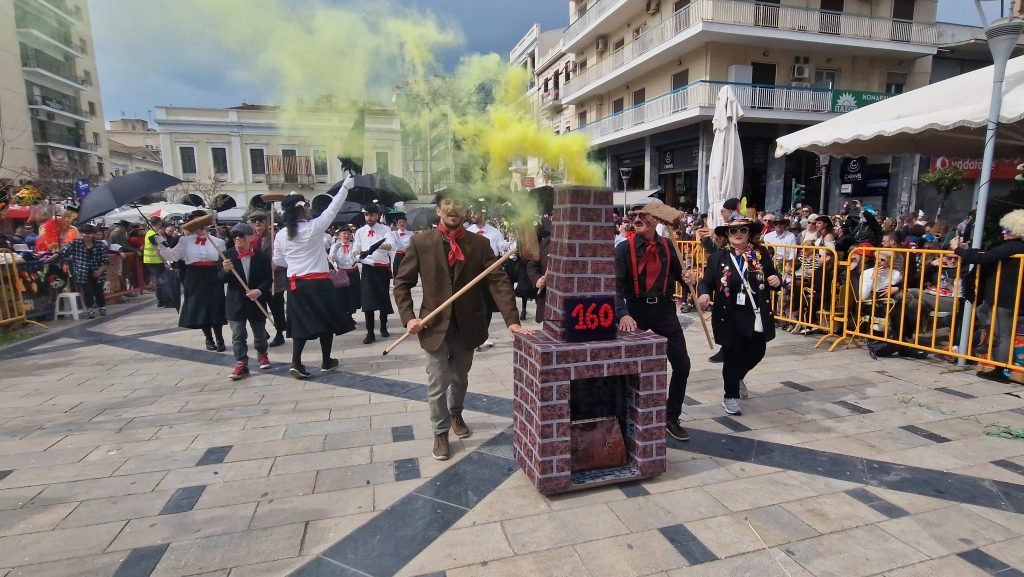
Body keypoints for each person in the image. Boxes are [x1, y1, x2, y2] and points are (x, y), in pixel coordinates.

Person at [394, 189, 530, 461]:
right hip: (433, 325)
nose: (453, 208)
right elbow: (402, 284)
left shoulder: (479, 245)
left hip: (468, 325)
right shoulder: (422, 242)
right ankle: (440, 430)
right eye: (447, 203)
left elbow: (499, 282)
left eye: (458, 204)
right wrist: (409, 317)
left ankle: (455, 413)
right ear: (439, 210)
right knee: (437, 381)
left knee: (460, 378)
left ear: (466, 212)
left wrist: (512, 322)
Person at [615, 202, 695, 441]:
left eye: (643, 215)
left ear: (657, 219)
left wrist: (689, 280)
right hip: (635, 310)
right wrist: (623, 314)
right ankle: (621, 416)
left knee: (682, 365)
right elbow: (615, 287)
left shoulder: (668, 246)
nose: (637, 218)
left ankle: (671, 416)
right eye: (634, 215)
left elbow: (679, 278)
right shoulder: (623, 249)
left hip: (664, 310)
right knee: (625, 366)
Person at [273, 181, 357, 379]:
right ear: (302, 210)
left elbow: (278, 261)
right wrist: (345, 187)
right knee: (325, 322)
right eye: (307, 206)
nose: (310, 209)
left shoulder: (281, 234)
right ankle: (326, 360)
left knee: (300, 324)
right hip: (318, 283)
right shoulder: (314, 228)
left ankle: (296, 362)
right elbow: (333, 208)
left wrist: (295, 264)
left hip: (295, 283)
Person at [698, 218, 782, 416]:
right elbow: (707, 281)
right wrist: (703, 293)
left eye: (742, 230)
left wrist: (775, 280)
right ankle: (731, 396)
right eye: (733, 230)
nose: (738, 233)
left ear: (748, 234)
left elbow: (772, 278)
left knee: (758, 351)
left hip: (754, 313)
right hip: (729, 315)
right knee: (732, 356)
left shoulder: (759, 254)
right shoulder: (718, 257)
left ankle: (737, 378)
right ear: (727, 235)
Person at [952, 209, 1024, 382]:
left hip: (1005, 298)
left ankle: (1002, 370)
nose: (1003, 232)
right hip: (1005, 298)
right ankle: (989, 335)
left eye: (1007, 229)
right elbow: (987, 255)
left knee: (1004, 335)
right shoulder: (1014, 248)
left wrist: (957, 250)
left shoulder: (1013, 247)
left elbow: (985, 258)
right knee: (983, 311)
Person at [157, 211, 228, 352]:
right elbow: (173, 255)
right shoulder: (185, 241)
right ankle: (209, 339)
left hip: (213, 275)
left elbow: (223, 259)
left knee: (215, 305)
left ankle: (220, 338)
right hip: (194, 276)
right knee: (200, 307)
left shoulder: (218, 241)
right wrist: (161, 245)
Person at [221, 223, 273, 381]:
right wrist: (225, 270)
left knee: (259, 331)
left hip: (255, 300)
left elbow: (267, 279)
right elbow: (219, 279)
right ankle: (241, 363)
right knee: (238, 334)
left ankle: (262, 354)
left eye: (242, 235)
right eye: (235, 236)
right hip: (235, 302)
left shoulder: (262, 256)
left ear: (251, 237)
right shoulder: (226, 256)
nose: (237, 238)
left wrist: (258, 291)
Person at [47, 223, 108, 318]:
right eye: (85, 233)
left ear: (93, 234)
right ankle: (90, 309)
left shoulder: (100, 245)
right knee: (88, 290)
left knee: (98, 290)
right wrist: (50, 258)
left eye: (89, 233)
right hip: (83, 271)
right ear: (81, 233)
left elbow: (105, 261)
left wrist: (100, 271)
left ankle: (102, 306)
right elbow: (63, 252)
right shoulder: (75, 243)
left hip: (98, 271)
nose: (87, 235)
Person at [353, 204, 393, 344]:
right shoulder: (359, 232)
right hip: (367, 268)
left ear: (377, 215)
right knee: (368, 301)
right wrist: (359, 256)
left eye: (371, 215)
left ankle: (383, 325)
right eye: (366, 215)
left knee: (383, 299)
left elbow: (390, 245)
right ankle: (370, 332)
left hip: (382, 268)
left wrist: (377, 245)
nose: (368, 218)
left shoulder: (385, 229)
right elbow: (355, 249)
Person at [250, 211, 287, 347]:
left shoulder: (275, 238)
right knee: (258, 309)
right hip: (257, 281)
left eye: (260, 220)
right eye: (254, 221)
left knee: (276, 309)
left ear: (266, 223)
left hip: (274, 280)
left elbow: (285, 257)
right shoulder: (250, 239)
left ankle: (279, 333)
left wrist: (278, 266)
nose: (257, 223)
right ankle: (262, 331)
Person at [328, 228, 361, 314]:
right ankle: (344, 315)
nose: (346, 235)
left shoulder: (354, 245)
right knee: (342, 295)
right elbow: (332, 259)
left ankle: (350, 314)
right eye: (344, 234)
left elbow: (358, 257)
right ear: (339, 236)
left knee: (353, 295)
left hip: (353, 272)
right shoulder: (335, 246)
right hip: (341, 273)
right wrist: (335, 249)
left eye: (348, 234)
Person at [144, 216, 173, 308]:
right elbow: (158, 250)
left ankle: (161, 301)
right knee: (163, 281)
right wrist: (165, 262)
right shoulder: (152, 234)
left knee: (159, 282)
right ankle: (166, 301)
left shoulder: (151, 233)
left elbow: (165, 245)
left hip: (151, 260)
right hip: (156, 261)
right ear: (159, 222)